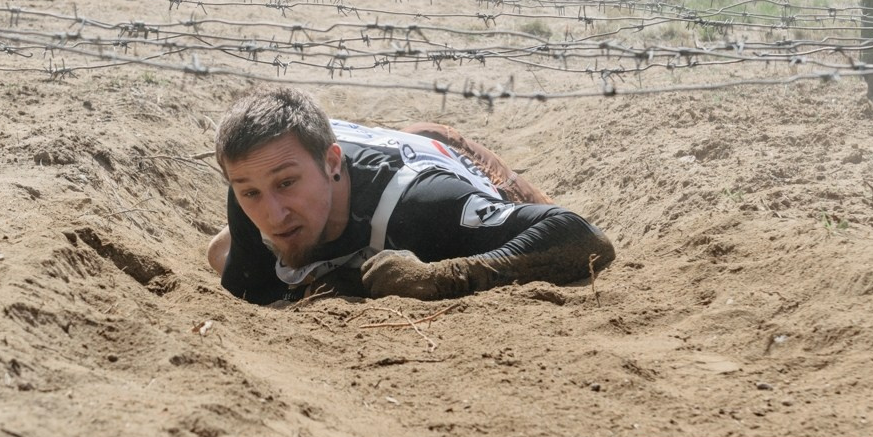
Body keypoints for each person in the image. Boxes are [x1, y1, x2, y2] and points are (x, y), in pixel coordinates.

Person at [208, 86, 614, 305]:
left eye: (286, 184)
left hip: (443, 158)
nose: (273, 214)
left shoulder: (424, 207)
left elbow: (580, 236)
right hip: (348, 154)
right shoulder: (254, 182)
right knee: (220, 253)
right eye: (249, 193)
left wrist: (441, 276)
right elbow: (256, 294)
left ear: (332, 164)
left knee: (509, 205)